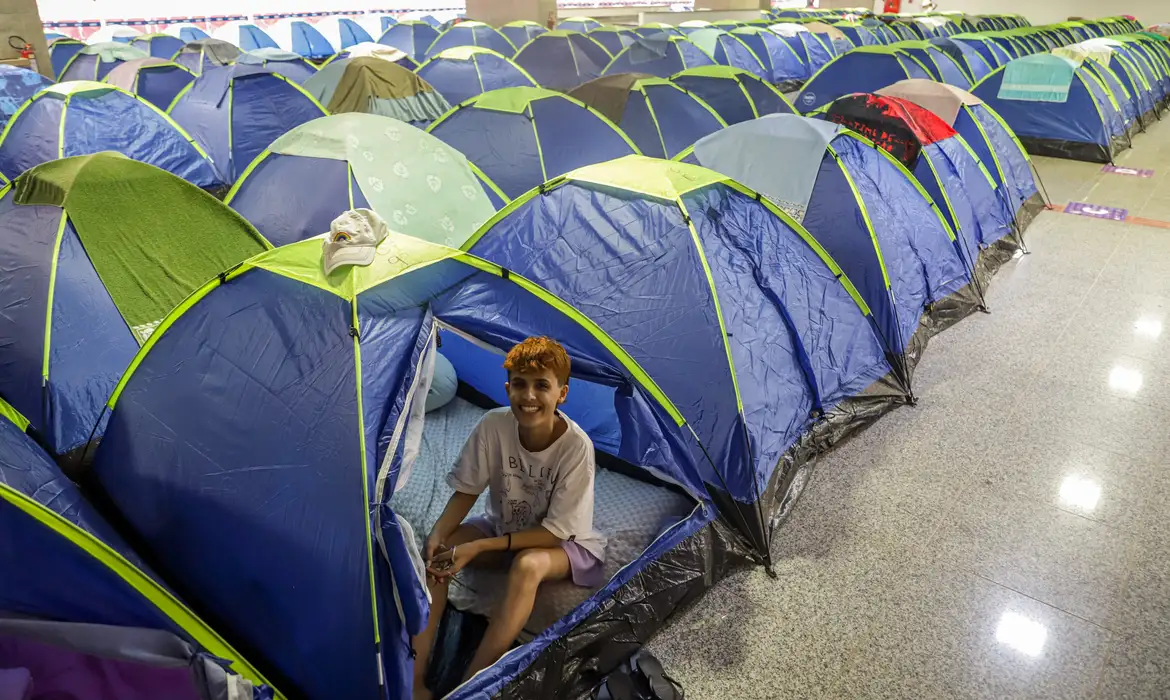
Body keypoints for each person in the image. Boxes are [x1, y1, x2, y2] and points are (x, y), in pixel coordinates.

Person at [412, 337, 606, 699]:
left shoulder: (576, 448)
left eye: (541, 385)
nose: (528, 395)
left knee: (528, 566)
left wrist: (483, 545)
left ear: (561, 394)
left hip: (563, 544)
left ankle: (472, 685)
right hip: (504, 528)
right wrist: (439, 532)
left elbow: (555, 533)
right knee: (441, 553)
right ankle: (415, 679)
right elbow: (467, 489)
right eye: (519, 383)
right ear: (507, 388)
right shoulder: (493, 425)